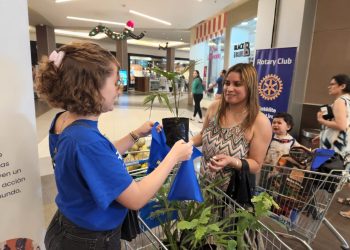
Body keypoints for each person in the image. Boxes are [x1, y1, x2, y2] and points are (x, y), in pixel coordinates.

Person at [35, 42, 193, 250]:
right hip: (89, 240)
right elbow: (136, 198)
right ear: (91, 87)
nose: (119, 90)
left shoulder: (65, 121)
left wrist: (135, 135)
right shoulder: (86, 140)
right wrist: (174, 155)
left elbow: (97, 161)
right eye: (115, 82)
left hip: (68, 226)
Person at [191, 63, 272, 192]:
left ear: (250, 87)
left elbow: (256, 165)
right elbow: (203, 135)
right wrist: (186, 143)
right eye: (227, 83)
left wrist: (232, 161)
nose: (229, 88)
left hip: (232, 194)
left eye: (237, 84)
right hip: (205, 184)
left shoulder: (260, 122)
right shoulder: (215, 108)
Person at [313, 74, 350, 219]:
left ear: (342, 86)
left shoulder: (340, 101)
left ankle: (318, 208)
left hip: (338, 148)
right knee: (345, 177)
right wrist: (322, 135)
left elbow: (340, 125)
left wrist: (321, 120)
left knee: (340, 177)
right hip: (343, 144)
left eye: (332, 84)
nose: (329, 86)